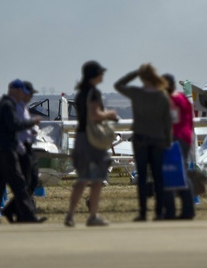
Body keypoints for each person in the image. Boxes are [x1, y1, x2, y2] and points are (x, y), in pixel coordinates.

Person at [115, 63, 173, 222]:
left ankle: (142, 212)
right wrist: (168, 142)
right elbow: (167, 122)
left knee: (142, 177)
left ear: (142, 77)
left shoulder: (137, 93)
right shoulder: (162, 95)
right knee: (158, 177)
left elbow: (118, 85)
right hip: (158, 140)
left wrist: (134, 73)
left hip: (140, 139)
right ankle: (159, 212)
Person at [65, 61, 119, 227]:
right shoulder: (94, 93)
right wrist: (109, 114)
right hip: (92, 141)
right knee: (97, 179)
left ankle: (70, 214)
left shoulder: (80, 93)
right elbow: (95, 115)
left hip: (81, 137)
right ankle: (93, 215)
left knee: (83, 178)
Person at [0, 80, 42, 224]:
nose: (23, 94)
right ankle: (28, 216)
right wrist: (32, 123)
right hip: (7, 148)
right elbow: (13, 125)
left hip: (1, 148)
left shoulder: (4, 104)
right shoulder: (8, 105)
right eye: (21, 90)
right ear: (14, 90)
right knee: (19, 184)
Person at [2, 80, 41, 222]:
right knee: (27, 182)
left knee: (32, 181)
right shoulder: (16, 107)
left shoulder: (24, 107)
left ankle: (13, 210)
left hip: (28, 146)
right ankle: (20, 213)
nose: (31, 96)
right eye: (29, 93)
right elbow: (15, 127)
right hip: (21, 148)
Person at [162, 73, 195, 220]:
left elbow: (169, 121)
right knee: (182, 172)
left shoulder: (171, 100)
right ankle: (187, 209)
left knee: (170, 174)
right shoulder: (182, 98)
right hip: (186, 137)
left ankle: (172, 211)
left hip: (176, 139)